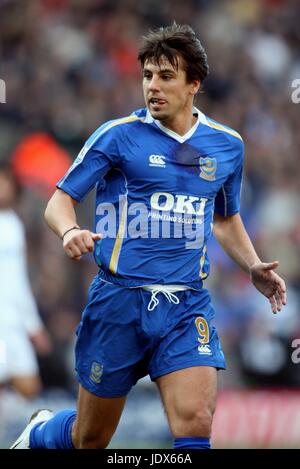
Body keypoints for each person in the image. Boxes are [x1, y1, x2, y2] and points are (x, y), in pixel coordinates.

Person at [11, 23, 286, 450]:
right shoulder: (118, 136)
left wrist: (252, 265)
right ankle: (41, 432)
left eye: (165, 76)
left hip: (185, 303)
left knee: (195, 423)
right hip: (118, 300)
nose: (152, 87)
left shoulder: (226, 145)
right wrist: (69, 231)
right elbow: (59, 201)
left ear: (194, 84)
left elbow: (226, 219)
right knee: (90, 438)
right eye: (147, 76)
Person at [0, 163, 51, 400]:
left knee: (30, 388)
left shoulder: (13, 223)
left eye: (5, 182)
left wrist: (32, 325)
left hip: (13, 322)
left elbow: (17, 281)